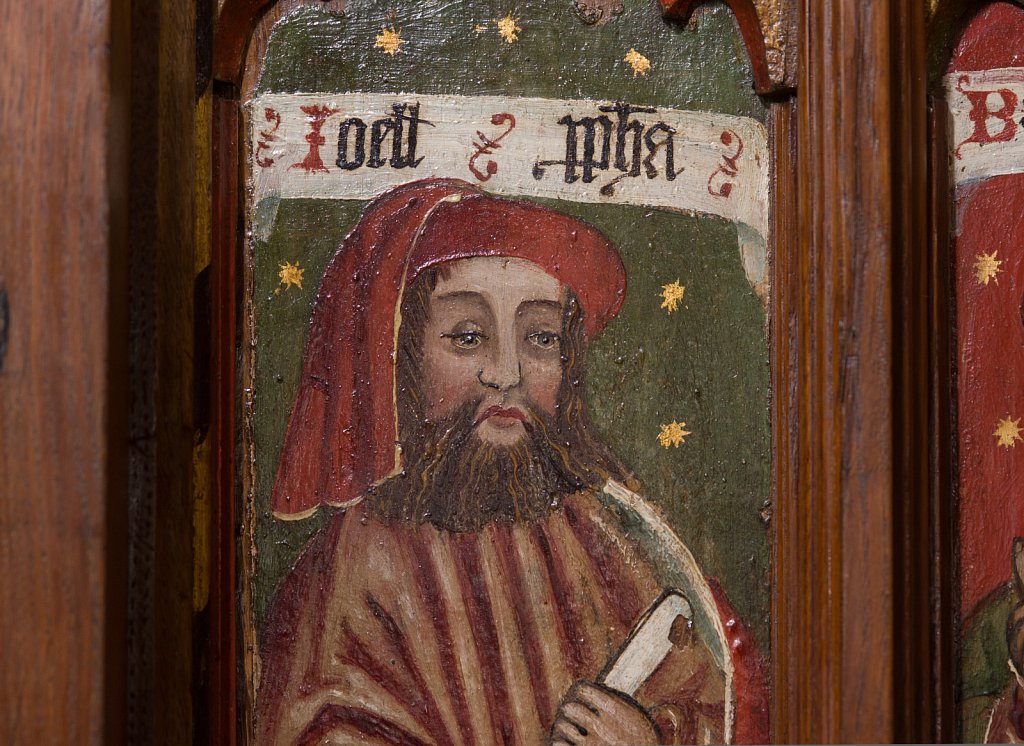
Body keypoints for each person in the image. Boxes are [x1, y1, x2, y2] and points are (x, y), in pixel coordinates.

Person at [257, 178, 767, 745]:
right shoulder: (348, 573)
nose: (506, 373)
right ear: (404, 359)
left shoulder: (601, 534)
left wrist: (646, 739)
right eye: (467, 336)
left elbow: (711, 707)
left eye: (542, 338)